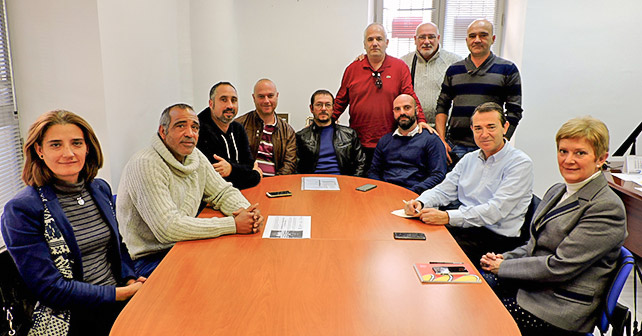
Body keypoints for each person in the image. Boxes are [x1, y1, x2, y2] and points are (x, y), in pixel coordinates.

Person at [1, 110, 144, 335]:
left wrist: (129, 278)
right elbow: (49, 288)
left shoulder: (99, 189)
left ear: (88, 147)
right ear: (39, 150)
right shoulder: (22, 209)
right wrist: (119, 294)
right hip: (70, 317)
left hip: (116, 303)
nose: (69, 153)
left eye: (76, 143)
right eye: (56, 145)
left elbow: (118, 247)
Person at [480, 116, 627, 335]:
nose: (568, 160)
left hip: (559, 306)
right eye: (563, 151)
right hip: (537, 286)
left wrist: (504, 268)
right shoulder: (556, 190)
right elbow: (534, 245)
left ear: (600, 158)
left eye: (580, 153)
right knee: (474, 288)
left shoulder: (606, 207)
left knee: (481, 317)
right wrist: (505, 258)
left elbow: (560, 267)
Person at [117, 103, 263, 277]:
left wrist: (245, 213)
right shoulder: (146, 164)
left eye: (195, 127)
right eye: (180, 126)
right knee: (221, 276)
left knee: (241, 264)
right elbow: (168, 228)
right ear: (163, 132)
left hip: (183, 243)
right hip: (150, 258)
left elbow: (222, 192)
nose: (189, 133)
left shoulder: (194, 156)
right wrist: (233, 224)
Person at [404, 102, 533, 263]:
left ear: (505, 127)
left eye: (491, 127)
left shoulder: (520, 163)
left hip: (497, 239)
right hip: (465, 227)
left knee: (430, 253)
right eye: (478, 128)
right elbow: (443, 190)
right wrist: (421, 202)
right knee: (414, 239)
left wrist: (447, 217)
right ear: (472, 130)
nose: (484, 134)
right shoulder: (469, 159)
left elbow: (494, 211)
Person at [333, 23, 426, 171]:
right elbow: (340, 101)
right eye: (370, 40)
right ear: (364, 45)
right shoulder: (352, 69)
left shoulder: (399, 67)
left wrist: (421, 120)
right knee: (360, 187)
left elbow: (409, 97)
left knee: (387, 185)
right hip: (358, 143)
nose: (375, 43)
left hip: (392, 142)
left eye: (379, 39)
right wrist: (319, 124)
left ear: (386, 43)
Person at [435, 19, 523, 161]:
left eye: (483, 35)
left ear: (493, 39)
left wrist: (502, 141)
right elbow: (442, 106)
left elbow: (515, 111)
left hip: (490, 148)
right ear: (466, 40)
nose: (477, 40)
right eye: (472, 36)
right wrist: (441, 141)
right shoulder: (454, 70)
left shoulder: (508, 69)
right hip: (455, 148)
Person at [368, 94, 446, 194]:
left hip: (416, 197)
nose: (402, 113)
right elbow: (373, 172)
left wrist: (410, 192)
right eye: (397, 109)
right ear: (393, 113)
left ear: (417, 110)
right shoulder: (384, 141)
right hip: (386, 194)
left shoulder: (431, 140)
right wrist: (382, 190)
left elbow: (438, 175)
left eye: (407, 108)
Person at [197, 81, 262, 189]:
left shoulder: (238, 128)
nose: (230, 105)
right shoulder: (199, 130)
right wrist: (255, 176)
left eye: (234, 100)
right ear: (211, 103)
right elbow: (217, 181)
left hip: (240, 194)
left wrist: (231, 169)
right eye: (223, 100)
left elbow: (249, 164)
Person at [400, 22, 463, 127]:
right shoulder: (404, 62)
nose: (426, 41)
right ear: (415, 39)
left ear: (438, 38)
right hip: (414, 127)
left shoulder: (454, 62)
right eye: (422, 37)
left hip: (445, 128)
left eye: (431, 37)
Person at [296, 89, 366, 176]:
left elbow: (360, 164)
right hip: (312, 182)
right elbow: (297, 168)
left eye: (328, 105)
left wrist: (351, 183)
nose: (323, 109)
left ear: (333, 108)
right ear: (311, 108)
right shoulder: (301, 137)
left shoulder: (349, 135)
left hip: (343, 182)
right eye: (319, 105)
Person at [236, 78, 297, 176]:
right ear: (254, 97)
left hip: (276, 185)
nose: (266, 101)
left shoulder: (288, 131)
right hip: (246, 182)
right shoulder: (238, 125)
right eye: (261, 96)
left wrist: (274, 185)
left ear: (277, 96)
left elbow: (289, 165)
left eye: (270, 96)